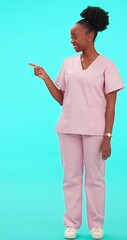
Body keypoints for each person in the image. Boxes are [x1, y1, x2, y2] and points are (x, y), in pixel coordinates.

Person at [28, 6, 124, 239]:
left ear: (89, 36)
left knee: (95, 179)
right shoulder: (68, 63)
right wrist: (45, 77)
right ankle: (72, 223)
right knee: (70, 178)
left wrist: (107, 137)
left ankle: (96, 225)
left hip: (95, 131)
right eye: (71, 36)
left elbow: (111, 106)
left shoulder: (107, 66)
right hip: (68, 128)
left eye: (74, 36)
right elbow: (63, 98)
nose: (71, 40)